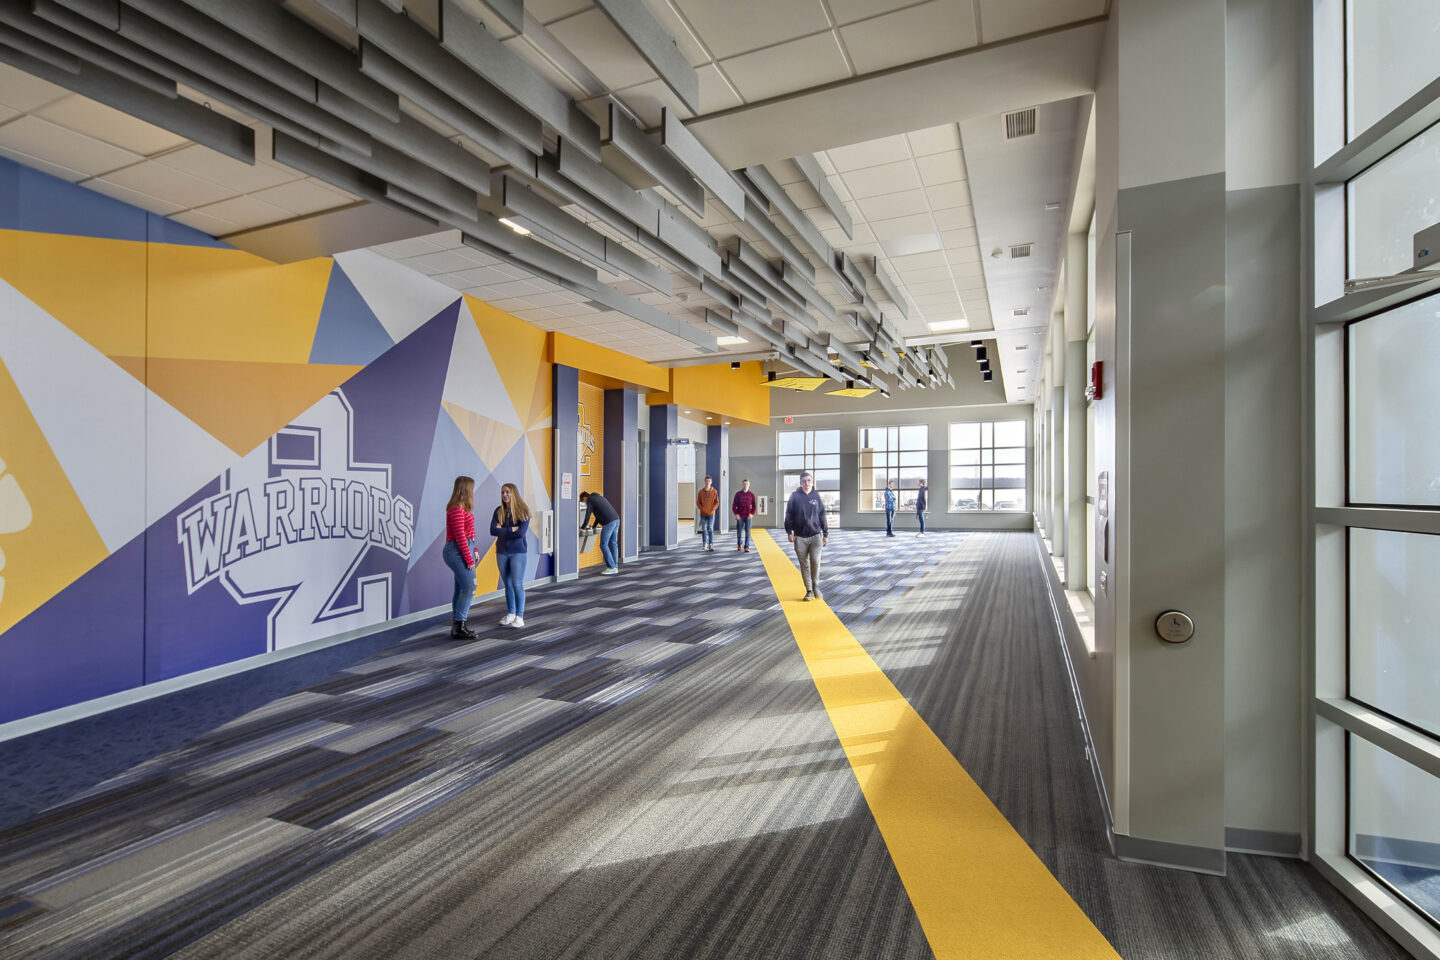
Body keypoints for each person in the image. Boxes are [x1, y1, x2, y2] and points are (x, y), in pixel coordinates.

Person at [491, 482, 531, 628]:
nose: (504, 495)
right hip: (501, 551)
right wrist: (511, 530)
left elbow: (520, 533)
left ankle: (520, 616)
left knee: (517, 584)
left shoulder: (523, 511)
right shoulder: (498, 511)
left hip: (518, 552)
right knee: (507, 584)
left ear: (514, 493)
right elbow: (492, 531)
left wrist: (503, 530)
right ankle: (511, 613)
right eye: (502, 492)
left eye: (507, 492)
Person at [783, 471, 828, 601]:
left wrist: (825, 534)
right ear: (800, 483)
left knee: (815, 562)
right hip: (800, 537)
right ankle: (808, 590)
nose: (806, 483)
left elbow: (822, 515)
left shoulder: (816, 496)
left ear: (812, 482)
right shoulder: (794, 496)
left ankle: (815, 586)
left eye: (808, 481)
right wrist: (789, 532)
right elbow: (788, 515)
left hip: (816, 536)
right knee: (804, 565)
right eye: (803, 481)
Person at [443, 475, 478, 639]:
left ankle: (457, 625)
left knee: (460, 588)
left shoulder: (464, 508)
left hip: (465, 548)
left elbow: (469, 532)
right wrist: (469, 559)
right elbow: (459, 536)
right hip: (456, 550)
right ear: (465, 489)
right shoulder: (456, 509)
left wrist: (475, 549)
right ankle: (459, 625)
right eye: (471, 488)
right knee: (470, 587)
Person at [579, 490, 621, 574]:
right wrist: (593, 526)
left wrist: (582, 527)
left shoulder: (590, 500)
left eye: (582, 501)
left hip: (608, 523)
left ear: (584, 498)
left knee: (603, 545)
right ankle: (615, 566)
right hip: (616, 519)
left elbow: (588, 514)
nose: (584, 503)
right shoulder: (599, 497)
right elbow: (598, 516)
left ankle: (611, 567)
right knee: (613, 544)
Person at [696, 475, 720, 552]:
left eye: (709, 481)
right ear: (704, 482)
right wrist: (702, 509)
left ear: (711, 482)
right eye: (706, 481)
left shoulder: (714, 492)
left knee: (710, 528)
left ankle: (711, 544)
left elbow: (717, 502)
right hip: (703, 514)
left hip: (711, 514)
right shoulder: (701, 492)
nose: (707, 482)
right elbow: (698, 503)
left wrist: (713, 509)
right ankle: (704, 543)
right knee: (703, 529)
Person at [732, 478, 756, 552]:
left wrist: (752, 514)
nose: (745, 485)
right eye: (744, 484)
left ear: (749, 485)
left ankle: (747, 546)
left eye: (747, 484)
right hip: (740, 516)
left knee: (748, 531)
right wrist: (736, 514)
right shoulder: (738, 494)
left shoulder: (751, 495)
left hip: (748, 516)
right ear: (742, 484)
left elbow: (754, 505)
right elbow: (734, 505)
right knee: (739, 531)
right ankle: (739, 544)